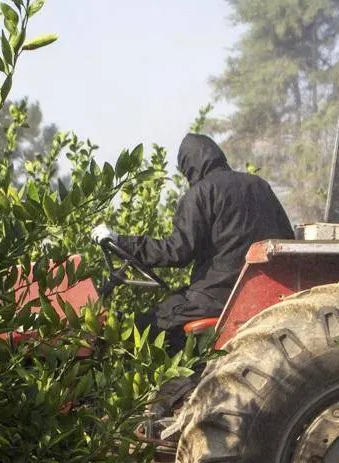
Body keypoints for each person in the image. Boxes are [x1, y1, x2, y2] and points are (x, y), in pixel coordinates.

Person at [92, 133, 294, 353]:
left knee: (138, 326)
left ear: (189, 166)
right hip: (260, 293)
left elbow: (176, 252)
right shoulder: (260, 185)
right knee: (175, 303)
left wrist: (119, 241)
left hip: (215, 298)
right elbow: (287, 238)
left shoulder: (201, 193)